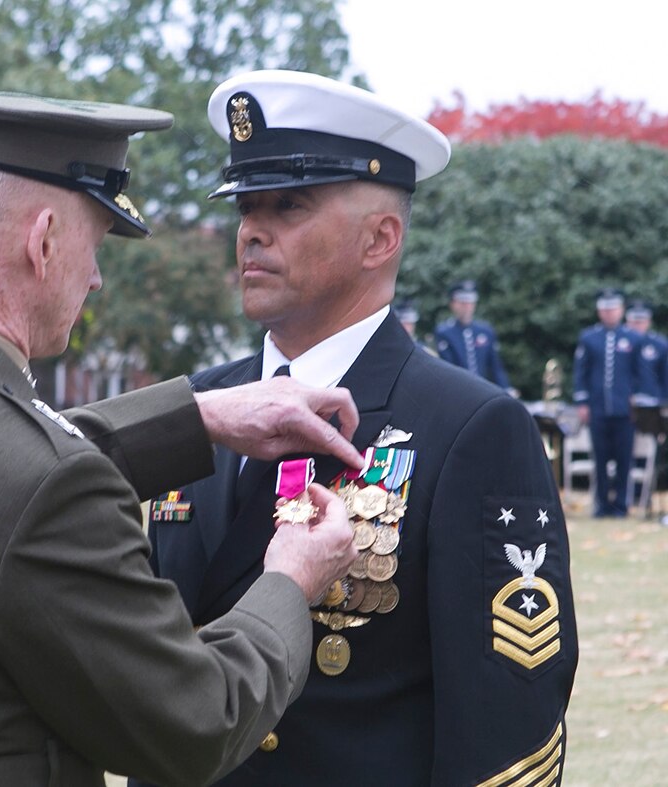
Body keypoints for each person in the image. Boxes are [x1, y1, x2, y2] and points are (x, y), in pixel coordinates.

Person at [0, 86, 365, 787]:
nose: (96, 278)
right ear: (43, 240)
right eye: (95, 243)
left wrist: (196, 415)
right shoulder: (44, 488)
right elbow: (198, 722)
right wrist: (288, 581)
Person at [140, 70, 578, 786]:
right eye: (247, 204)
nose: (253, 228)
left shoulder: (469, 425)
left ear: (381, 238)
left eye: (289, 205)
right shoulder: (198, 407)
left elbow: (507, 723)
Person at [573, 288, 646, 517]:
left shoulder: (634, 339)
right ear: (599, 311)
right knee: (601, 458)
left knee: (624, 459)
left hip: (625, 411)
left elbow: (641, 373)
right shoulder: (589, 338)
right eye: (605, 309)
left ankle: (621, 505)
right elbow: (580, 373)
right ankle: (602, 504)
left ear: (621, 310)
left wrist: (638, 399)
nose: (609, 313)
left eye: (613, 308)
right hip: (598, 409)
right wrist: (583, 402)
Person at [434, 279, 518, 395]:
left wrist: (506, 389)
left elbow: (495, 366)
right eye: (463, 303)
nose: (467, 307)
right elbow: (449, 367)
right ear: (453, 304)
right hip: (457, 392)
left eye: (470, 302)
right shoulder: (444, 332)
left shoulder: (485, 331)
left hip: (483, 392)